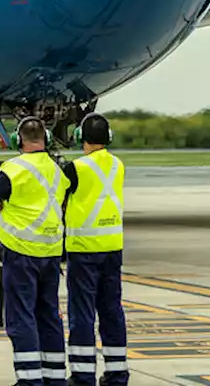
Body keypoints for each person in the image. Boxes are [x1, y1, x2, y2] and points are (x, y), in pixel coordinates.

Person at [0, 117, 70, 386]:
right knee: (49, 314)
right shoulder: (57, 170)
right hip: (51, 252)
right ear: (46, 140)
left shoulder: (13, 168)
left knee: (21, 317)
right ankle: (55, 377)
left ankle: (30, 379)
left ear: (20, 141)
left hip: (20, 252)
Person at [62, 114, 127, 384]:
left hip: (84, 250)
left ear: (81, 138)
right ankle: (117, 373)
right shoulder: (118, 165)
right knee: (112, 310)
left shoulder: (75, 168)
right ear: (108, 138)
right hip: (112, 248)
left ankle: (82, 374)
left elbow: (58, 198)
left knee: (83, 314)